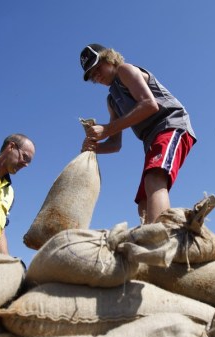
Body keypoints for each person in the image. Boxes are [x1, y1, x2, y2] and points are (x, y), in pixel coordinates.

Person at [79, 43, 196, 224]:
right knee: (143, 203)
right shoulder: (111, 101)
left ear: (108, 58)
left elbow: (150, 104)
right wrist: (94, 148)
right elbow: (115, 144)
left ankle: (159, 239)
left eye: (97, 67)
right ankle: (147, 240)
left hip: (170, 125)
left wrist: (107, 129)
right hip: (151, 139)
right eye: (92, 74)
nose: (96, 75)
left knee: (155, 179)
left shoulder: (125, 70)